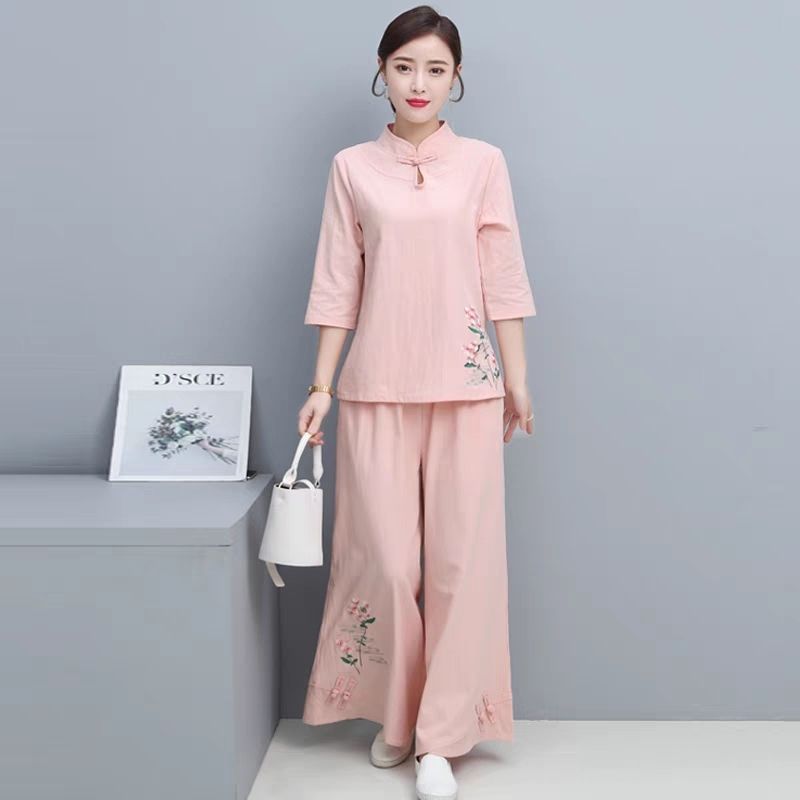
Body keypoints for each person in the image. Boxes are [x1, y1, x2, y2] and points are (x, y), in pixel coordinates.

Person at [296, 6, 536, 800]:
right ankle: (396, 716)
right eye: (405, 67)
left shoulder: (485, 164)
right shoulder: (351, 169)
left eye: (436, 69)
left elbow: (503, 277)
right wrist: (321, 387)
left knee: (463, 565)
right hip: (374, 388)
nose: (419, 83)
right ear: (382, 71)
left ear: (456, 78)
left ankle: (442, 736)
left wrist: (517, 377)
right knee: (386, 561)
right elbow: (338, 281)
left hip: (467, 388)